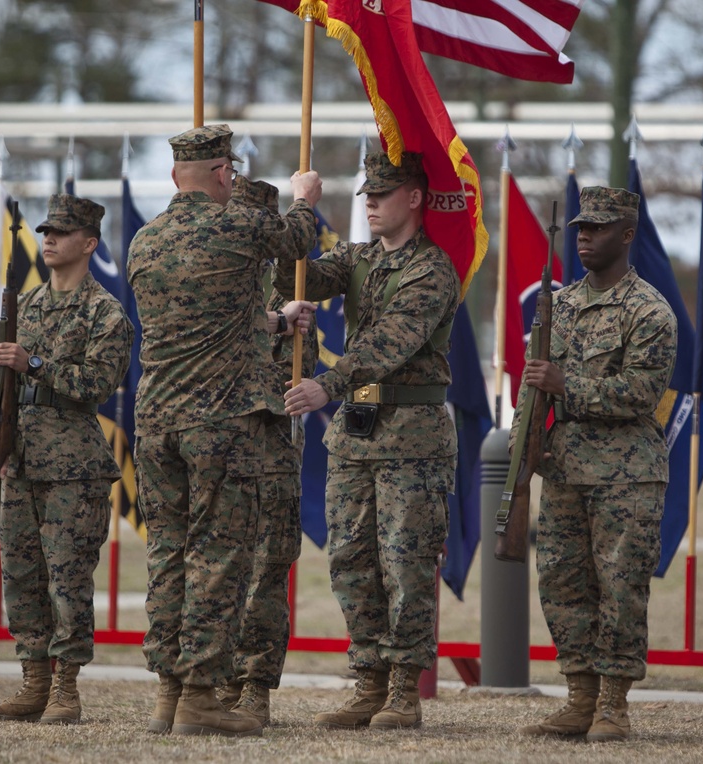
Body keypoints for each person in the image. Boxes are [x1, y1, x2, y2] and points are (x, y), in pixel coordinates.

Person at [127, 124, 322, 738]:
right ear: (223, 176)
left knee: (167, 554)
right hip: (219, 423)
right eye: (230, 173)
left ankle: (166, 694)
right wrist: (305, 196)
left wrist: (271, 320)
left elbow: (209, 318)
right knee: (217, 558)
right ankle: (202, 698)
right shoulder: (237, 226)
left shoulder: (144, 240)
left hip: (156, 421)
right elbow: (296, 241)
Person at [279, 151, 459, 731]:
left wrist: (325, 385)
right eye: (366, 195)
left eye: (384, 193)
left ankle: (404, 688)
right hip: (357, 439)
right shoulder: (357, 259)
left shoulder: (431, 271)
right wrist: (298, 212)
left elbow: (388, 344)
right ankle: (370, 680)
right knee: (350, 560)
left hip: (413, 440)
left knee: (404, 564)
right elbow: (292, 273)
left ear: (415, 197)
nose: (372, 203)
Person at [513, 186, 677, 742]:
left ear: (627, 234)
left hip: (627, 473)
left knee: (620, 587)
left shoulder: (649, 311)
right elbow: (532, 390)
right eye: (580, 228)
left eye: (598, 229)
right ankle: (579, 698)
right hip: (565, 469)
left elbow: (640, 392)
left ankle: (613, 704)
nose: (584, 237)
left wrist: (569, 386)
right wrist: (524, 451)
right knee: (562, 584)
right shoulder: (557, 306)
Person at [0, 193, 133, 725]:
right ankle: (33, 683)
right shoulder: (27, 305)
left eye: (61, 233)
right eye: (46, 231)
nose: (49, 240)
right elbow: (5, 391)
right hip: (21, 462)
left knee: (68, 579)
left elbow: (97, 385)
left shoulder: (104, 312)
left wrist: (34, 362)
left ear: (88, 243)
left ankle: (66, 688)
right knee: (21, 574)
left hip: (74, 468)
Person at [215, 174, 321, 728]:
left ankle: (253, 685)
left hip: (267, 451)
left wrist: (275, 325)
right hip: (215, 450)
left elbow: (288, 380)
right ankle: (213, 680)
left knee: (263, 573)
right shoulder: (216, 285)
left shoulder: (287, 295)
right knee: (215, 571)